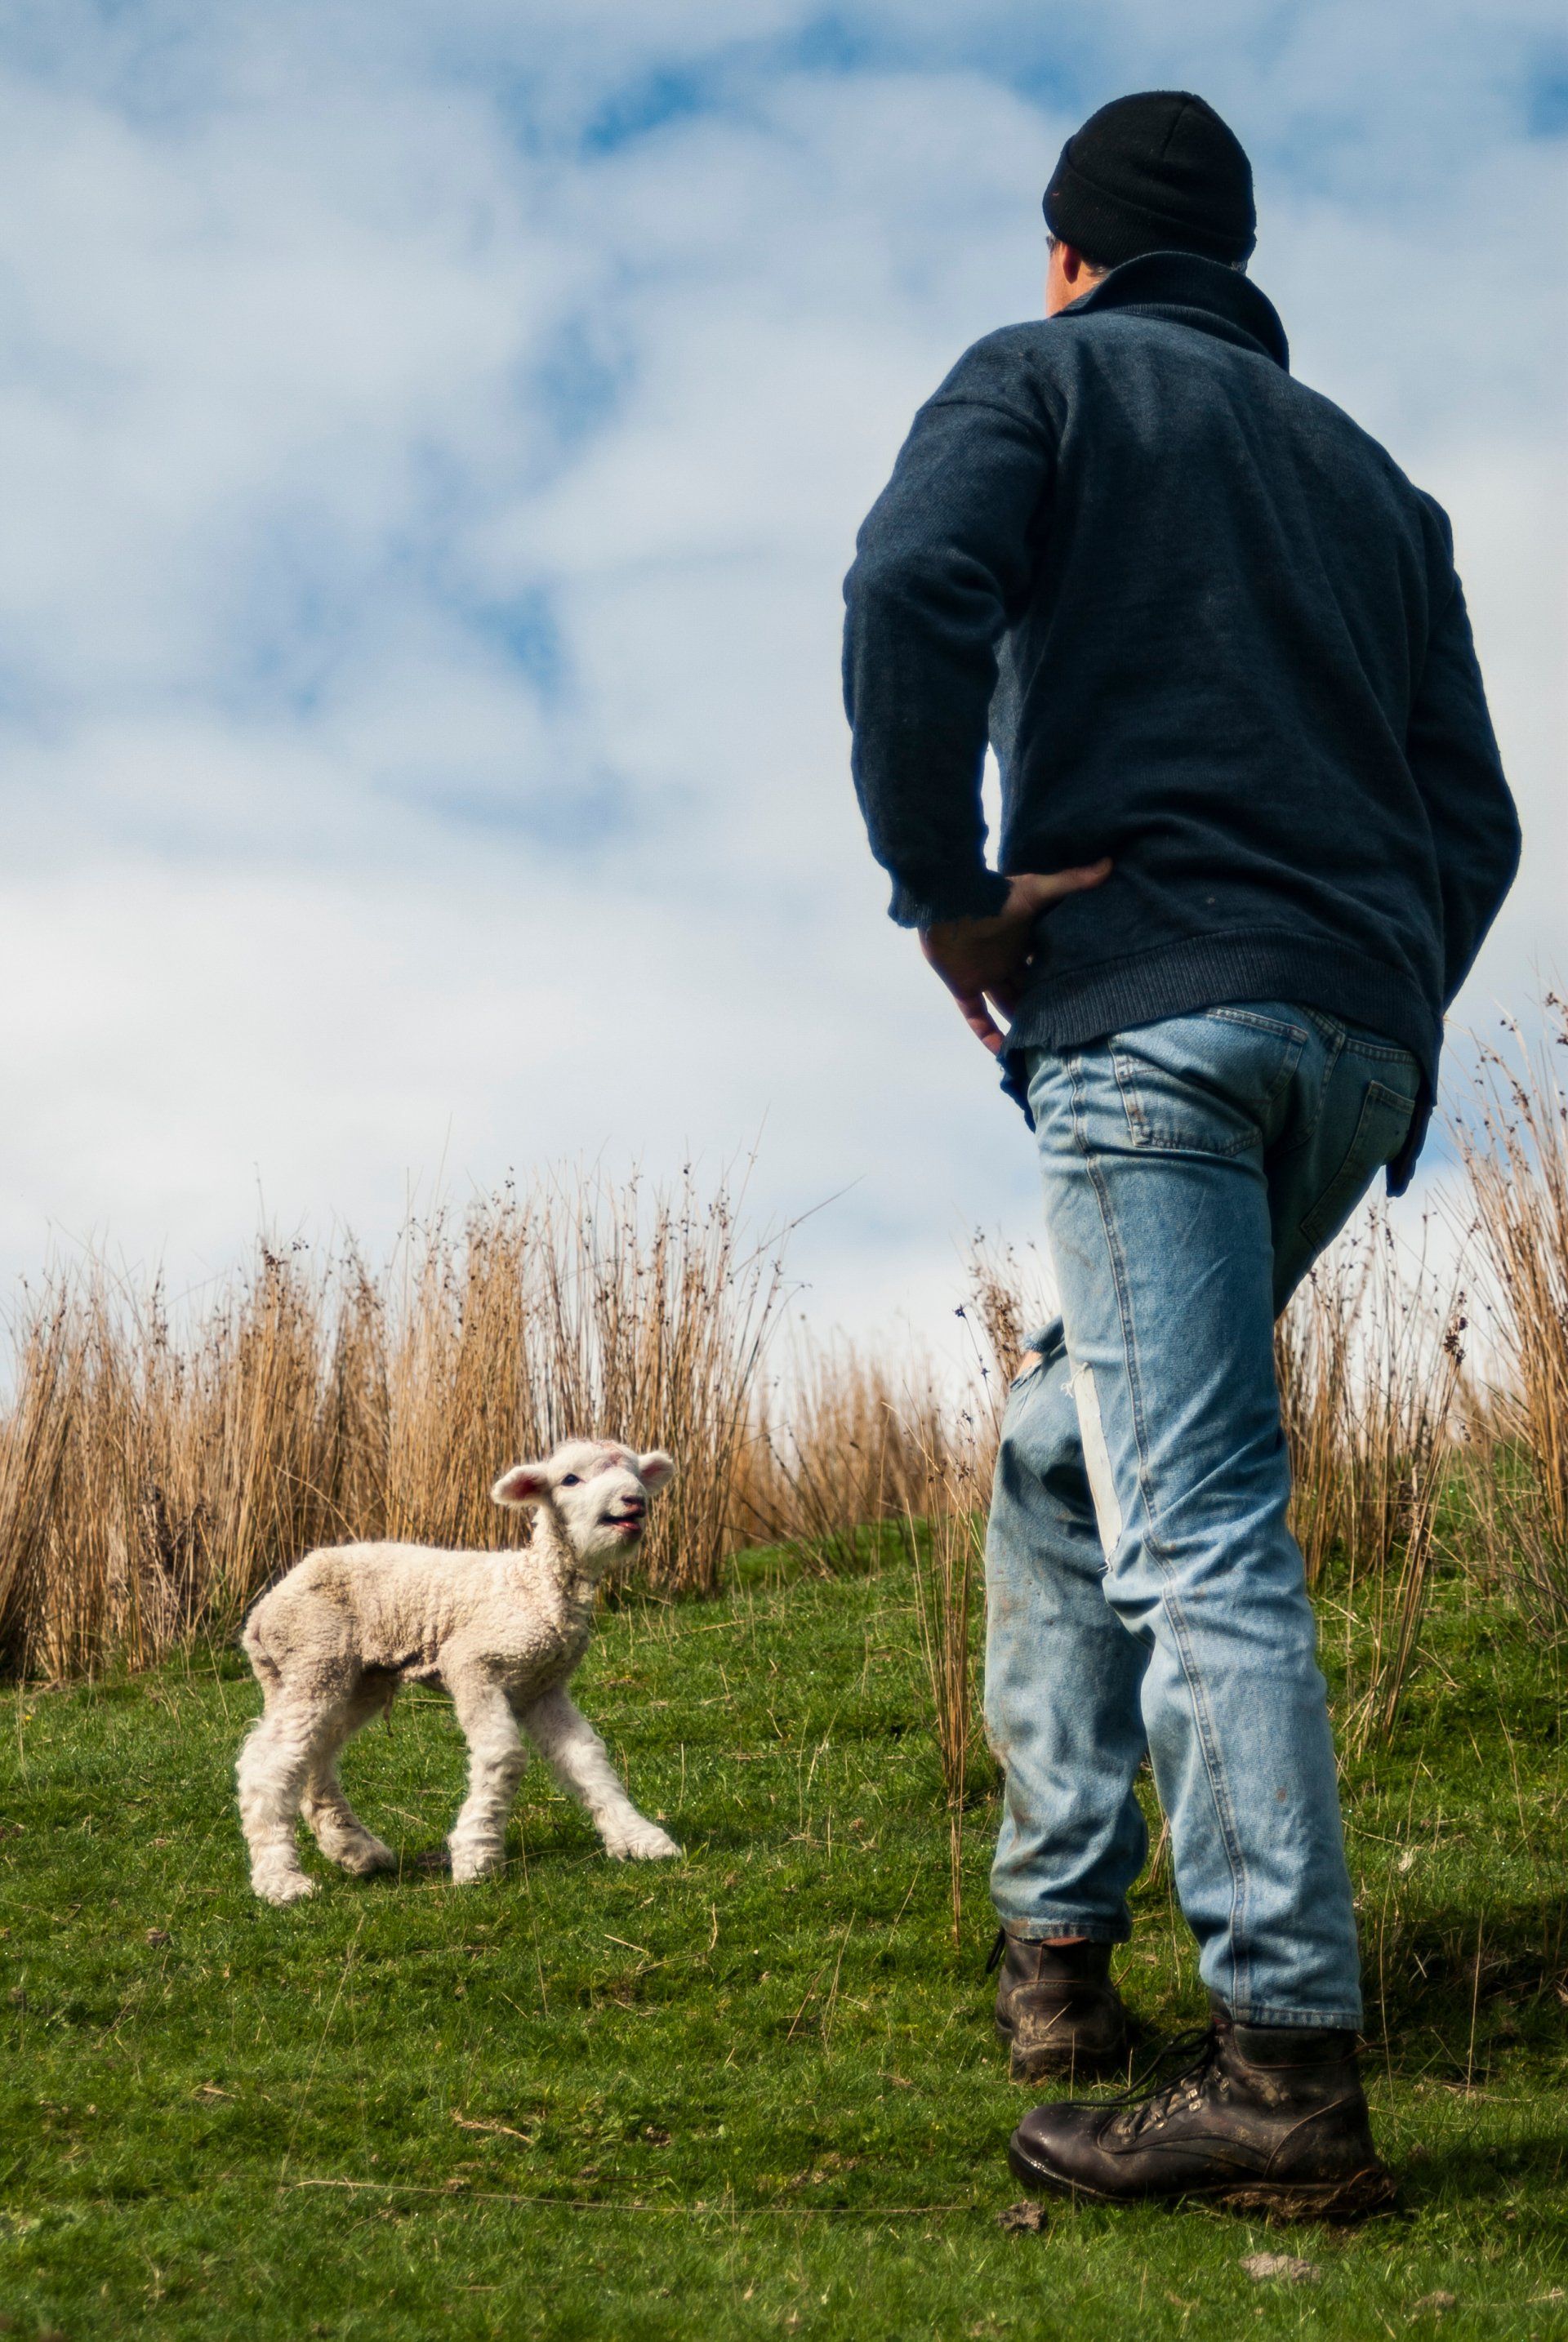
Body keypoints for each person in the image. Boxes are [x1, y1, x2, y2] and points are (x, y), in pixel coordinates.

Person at [842, 89, 1519, 2217]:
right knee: (1072, 1451)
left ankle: (1285, 2074)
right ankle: (1061, 1949)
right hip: (1345, 1049)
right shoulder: (1380, 493)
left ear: (1070, 253)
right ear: (1237, 264)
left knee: (1201, 1522)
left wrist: (946, 886)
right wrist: (1381, 989)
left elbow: (907, 586)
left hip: (1152, 1018)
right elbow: (1475, 816)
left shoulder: (1039, 375)